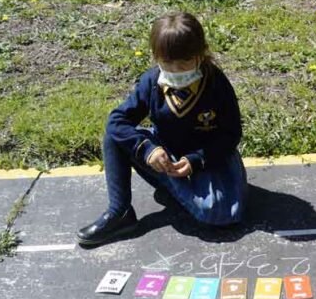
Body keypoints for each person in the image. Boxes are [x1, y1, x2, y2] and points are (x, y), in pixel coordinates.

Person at [77, 12, 247, 245]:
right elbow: (117, 120)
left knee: (220, 215)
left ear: (202, 52)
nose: (176, 70)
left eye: (185, 62)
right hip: (166, 156)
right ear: (156, 57)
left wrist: (197, 160)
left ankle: (178, 189)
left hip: (208, 156)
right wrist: (148, 151)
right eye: (168, 63)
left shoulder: (215, 83)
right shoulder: (152, 81)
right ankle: (120, 211)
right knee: (114, 136)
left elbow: (231, 134)